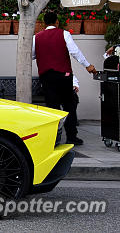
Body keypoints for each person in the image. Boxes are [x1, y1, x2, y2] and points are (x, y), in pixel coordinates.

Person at [33, 11, 97, 145]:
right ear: (57, 22)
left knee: (52, 108)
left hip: (46, 76)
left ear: (44, 23)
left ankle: (53, 138)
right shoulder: (64, 34)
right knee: (70, 105)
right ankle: (71, 136)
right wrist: (87, 65)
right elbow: (75, 52)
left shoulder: (36, 37)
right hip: (63, 75)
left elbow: (31, 55)